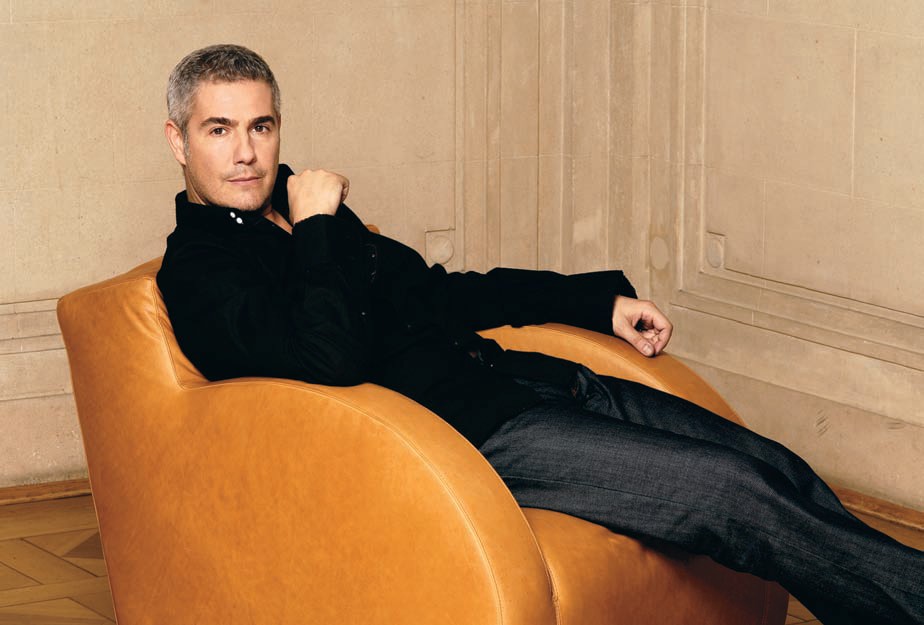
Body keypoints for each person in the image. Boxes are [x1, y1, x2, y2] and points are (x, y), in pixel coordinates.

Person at [156, 44, 924, 625]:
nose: (247, 152)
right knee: (733, 492)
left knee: (776, 463)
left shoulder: (301, 208)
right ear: (178, 140)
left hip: (526, 382)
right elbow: (327, 358)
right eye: (219, 129)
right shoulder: (200, 269)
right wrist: (317, 226)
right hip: (477, 437)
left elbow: (443, 293)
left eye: (260, 125)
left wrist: (594, 303)